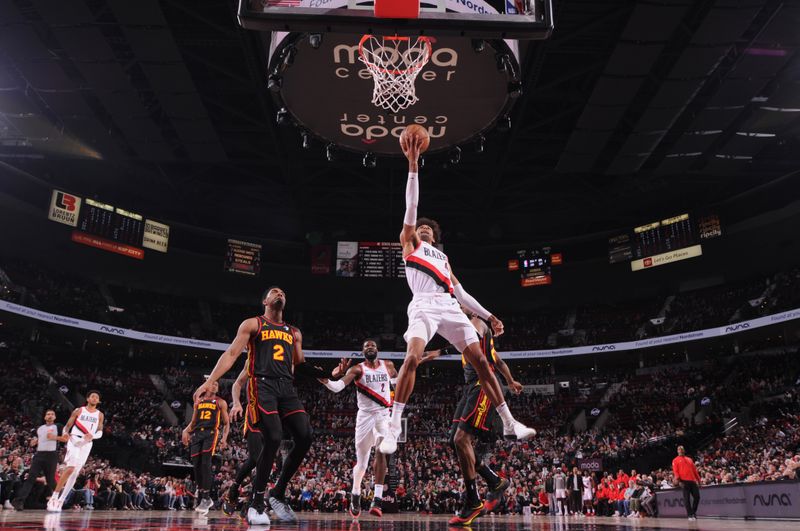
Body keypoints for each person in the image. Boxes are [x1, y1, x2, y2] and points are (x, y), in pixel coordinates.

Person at [379, 130, 536, 457]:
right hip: (422, 305)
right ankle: (394, 424)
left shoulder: (443, 259)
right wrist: (413, 166)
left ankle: (508, 420)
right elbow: (412, 205)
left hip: (449, 306)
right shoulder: (410, 244)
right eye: (420, 228)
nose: (424, 229)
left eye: (429, 229)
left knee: (481, 361)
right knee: (411, 357)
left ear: (435, 237)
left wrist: (488, 315)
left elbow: (461, 293)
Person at [192, 286, 330, 525]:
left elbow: (301, 365)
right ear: (265, 300)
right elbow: (232, 353)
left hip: (286, 387)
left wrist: (330, 374)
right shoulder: (253, 324)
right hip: (262, 385)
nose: (280, 293)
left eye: (284, 292)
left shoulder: (294, 332)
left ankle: (277, 492)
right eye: (275, 291)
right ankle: (256, 503)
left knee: (305, 435)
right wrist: (211, 380)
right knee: (274, 437)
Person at [421, 311, 522, 526]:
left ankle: (473, 500)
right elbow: (500, 361)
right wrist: (511, 381)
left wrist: (439, 351)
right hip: (470, 387)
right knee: (453, 441)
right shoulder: (470, 335)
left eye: (459, 304)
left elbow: (471, 335)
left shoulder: (476, 323)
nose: (455, 306)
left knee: (460, 440)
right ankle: (494, 481)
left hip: (482, 385)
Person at [323, 339, 397, 518]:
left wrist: (394, 402)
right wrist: (323, 377)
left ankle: (377, 500)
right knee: (362, 464)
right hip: (364, 418)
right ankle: (355, 492)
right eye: (366, 346)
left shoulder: (388, 365)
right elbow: (336, 387)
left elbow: (397, 384)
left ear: (377, 349)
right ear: (363, 352)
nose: (370, 347)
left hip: (382, 415)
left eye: (372, 345)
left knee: (382, 449)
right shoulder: (356, 369)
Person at [47, 391, 104, 512]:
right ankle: (54, 497)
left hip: (87, 443)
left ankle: (61, 500)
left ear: (98, 401)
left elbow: (100, 431)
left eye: (97, 397)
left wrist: (92, 436)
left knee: (75, 473)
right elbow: (67, 426)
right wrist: (65, 434)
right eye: (92, 396)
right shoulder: (79, 410)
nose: (95, 398)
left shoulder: (100, 414)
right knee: (70, 468)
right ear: (88, 398)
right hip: (74, 439)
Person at [181, 379, 230, 516]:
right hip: (197, 434)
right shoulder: (199, 401)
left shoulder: (220, 402)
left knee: (205, 463)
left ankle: (206, 497)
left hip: (211, 433)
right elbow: (193, 421)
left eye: (217, 385)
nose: (215, 386)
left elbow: (226, 423)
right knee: (196, 465)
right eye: (213, 384)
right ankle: (203, 494)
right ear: (206, 386)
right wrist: (185, 430)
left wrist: (224, 439)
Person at [222, 366, 265, 517]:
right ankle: (234, 489)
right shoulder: (254, 360)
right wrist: (236, 402)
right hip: (255, 412)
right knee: (256, 458)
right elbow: (237, 384)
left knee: (265, 462)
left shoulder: (282, 363)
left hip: (274, 415)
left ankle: (253, 500)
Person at [12, 409, 67, 510]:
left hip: (51, 455)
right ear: (45, 417)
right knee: (30, 478)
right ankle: (19, 501)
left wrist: (54, 437)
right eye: (48, 414)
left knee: (51, 481)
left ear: (55, 417)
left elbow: (66, 438)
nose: (50, 416)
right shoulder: (40, 428)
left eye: (52, 414)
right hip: (39, 454)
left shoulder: (58, 426)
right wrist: (34, 441)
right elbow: (39, 439)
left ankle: (60, 499)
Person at [672, 445, 700, 520]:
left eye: (682, 449)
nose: (680, 450)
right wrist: (679, 480)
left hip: (692, 481)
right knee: (687, 499)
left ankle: (693, 512)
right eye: (679, 449)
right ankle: (689, 515)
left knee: (697, 497)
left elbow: (695, 471)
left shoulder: (690, 459)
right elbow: (675, 471)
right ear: (677, 451)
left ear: (684, 450)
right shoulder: (675, 460)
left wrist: (699, 480)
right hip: (684, 481)